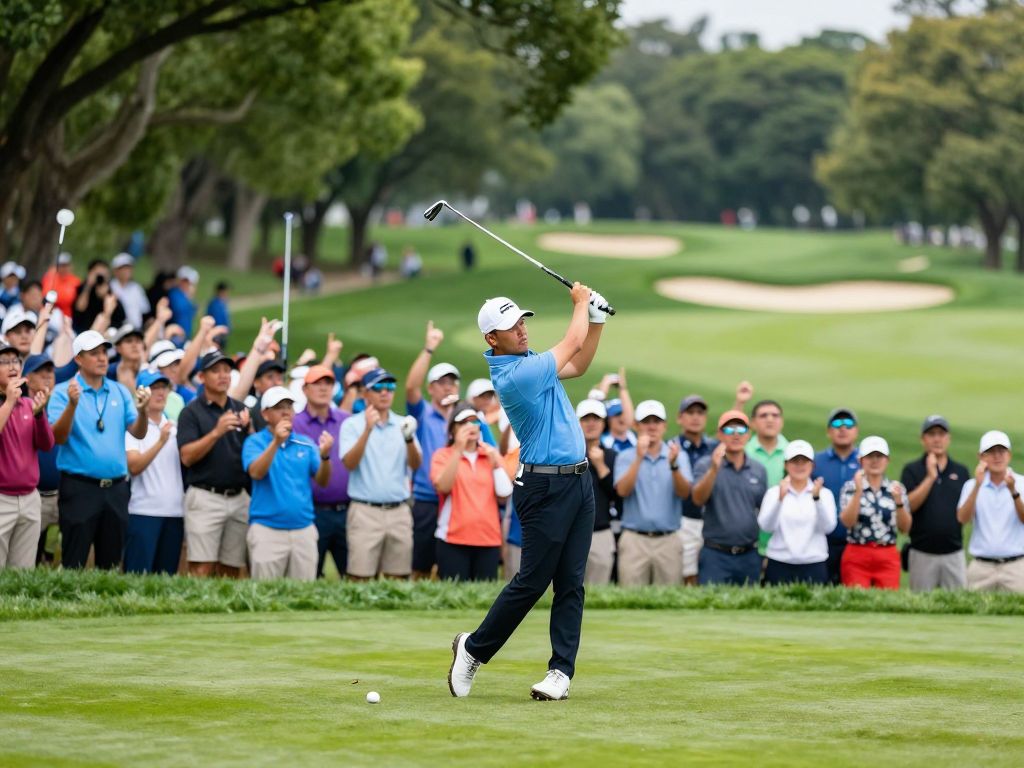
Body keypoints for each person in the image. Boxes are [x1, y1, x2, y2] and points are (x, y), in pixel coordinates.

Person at [448, 283, 608, 703]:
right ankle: (473, 649)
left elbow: (582, 360)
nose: (520, 329)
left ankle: (560, 672)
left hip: (578, 481)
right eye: (509, 326)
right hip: (544, 486)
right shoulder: (516, 375)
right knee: (532, 581)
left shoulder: (533, 362)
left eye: (521, 320)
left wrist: (597, 319)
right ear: (491, 339)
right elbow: (571, 342)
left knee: (571, 582)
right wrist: (579, 303)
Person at [48, 330, 150, 569]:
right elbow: (58, 437)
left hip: (116, 489)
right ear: (78, 359)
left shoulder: (120, 391)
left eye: (104, 352)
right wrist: (72, 405)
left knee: (112, 563)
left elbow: (138, 432)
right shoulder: (63, 392)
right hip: (79, 488)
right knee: (74, 561)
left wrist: (143, 411)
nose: (103, 358)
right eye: (94, 354)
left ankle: (107, 606)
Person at [338, 368, 421, 579]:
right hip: (365, 511)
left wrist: (409, 439)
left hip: (399, 510)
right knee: (360, 576)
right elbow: (349, 463)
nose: (385, 392)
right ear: (365, 393)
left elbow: (415, 464)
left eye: (390, 387)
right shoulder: (351, 425)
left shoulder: (404, 423)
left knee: (399, 577)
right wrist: (367, 429)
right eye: (378, 388)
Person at [243, 386, 333, 581]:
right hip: (267, 530)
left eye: (289, 407)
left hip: (303, 530)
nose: (285, 412)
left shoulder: (306, 443)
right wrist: (275, 442)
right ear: (265, 414)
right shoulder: (254, 442)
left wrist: (325, 457)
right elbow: (256, 473)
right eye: (278, 407)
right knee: (265, 596)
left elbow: (322, 480)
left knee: (303, 598)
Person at [177, 351, 252, 577]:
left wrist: (249, 431)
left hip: (238, 498)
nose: (223, 376)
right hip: (205, 496)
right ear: (201, 377)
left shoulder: (241, 409)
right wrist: (216, 432)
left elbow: (251, 453)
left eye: (227, 371)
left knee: (231, 568)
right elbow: (187, 456)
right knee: (202, 567)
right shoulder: (191, 412)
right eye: (215, 371)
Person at [613, 400, 692, 586]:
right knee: (630, 600)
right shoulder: (626, 457)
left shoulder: (678, 456)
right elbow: (623, 491)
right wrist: (639, 458)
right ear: (636, 426)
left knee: (669, 601)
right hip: (634, 539)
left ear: (664, 426)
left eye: (656, 421)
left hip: (668, 539)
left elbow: (684, 493)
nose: (652, 426)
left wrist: (673, 466)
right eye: (646, 421)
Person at [405, 321, 460, 579]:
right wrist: (429, 349)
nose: (447, 387)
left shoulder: (464, 416)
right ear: (431, 388)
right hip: (427, 498)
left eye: (452, 382)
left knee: (450, 564)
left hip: (458, 498)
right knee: (421, 563)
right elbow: (411, 388)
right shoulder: (424, 413)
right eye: (441, 383)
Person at [431, 405, 511, 581]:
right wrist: (458, 450)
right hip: (453, 538)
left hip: (488, 538)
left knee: (484, 598)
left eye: (474, 421)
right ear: (453, 429)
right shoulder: (443, 455)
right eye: (463, 422)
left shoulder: (490, 454)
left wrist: (496, 466)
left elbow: (504, 495)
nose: (471, 426)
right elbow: (443, 486)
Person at [691, 410, 767, 586]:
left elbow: (763, 510)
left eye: (741, 431)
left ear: (748, 435)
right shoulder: (705, 464)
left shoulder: (758, 470)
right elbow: (698, 499)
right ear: (719, 434)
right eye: (729, 430)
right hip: (715, 554)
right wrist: (714, 470)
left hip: (749, 554)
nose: (735, 435)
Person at [123, 369, 184, 575]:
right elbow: (134, 466)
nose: (160, 393)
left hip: (175, 512)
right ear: (142, 393)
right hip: (143, 512)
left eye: (163, 387)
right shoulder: (132, 429)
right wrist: (160, 442)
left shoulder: (174, 427)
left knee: (166, 579)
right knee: (137, 577)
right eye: (154, 388)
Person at [0, 338, 53, 568]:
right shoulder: (14, 402)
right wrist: (10, 401)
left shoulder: (28, 405)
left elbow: (47, 444)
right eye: (4, 361)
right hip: (1, 499)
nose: (12, 366)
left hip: (30, 498)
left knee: (22, 576)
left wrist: (40, 415)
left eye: (15, 360)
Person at [293, 365, 350, 578]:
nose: (323, 388)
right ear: (305, 389)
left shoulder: (345, 420)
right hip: (312, 511)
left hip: (345, 510)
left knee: (352, 574)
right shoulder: (295, 423)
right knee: (310, 574)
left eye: (328, 383)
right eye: (317, 383)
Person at [901, 415, 968, 590]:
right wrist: (930, 477)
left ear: (948, 438)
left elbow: (966, 513)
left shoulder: (961, 471)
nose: (937, 439)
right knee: (920, 608)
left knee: (958, 606)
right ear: (923, 439)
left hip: (954, 552)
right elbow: (909, 506)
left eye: (941, 434)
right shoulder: (912, 470)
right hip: (921, 553)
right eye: (931, 434)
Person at [757, 440, 836, 585]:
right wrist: (779, 500)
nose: (800, 466)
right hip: (779, 562)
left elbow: (828, 527)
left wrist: (817, 499)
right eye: (795, 461)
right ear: (786, 465)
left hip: (814, 562)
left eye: (804, 461)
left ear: (812, 465)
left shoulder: (824, 494)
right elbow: (766, 526)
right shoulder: (773, 493)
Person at [838, 436, 911, 590]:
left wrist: (899, 502)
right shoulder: (850, 488)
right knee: (856, 601)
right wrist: (858, 492)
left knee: (888, 603)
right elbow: (848, 522)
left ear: (887, 460)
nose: (875, 461)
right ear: (861, 460)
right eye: (870, 456)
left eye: (879, 456)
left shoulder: (896, 489)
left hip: (887, 554)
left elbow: (905, 528)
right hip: (857, 553)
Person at [956, 431, 1024, 592]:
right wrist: (978, 485)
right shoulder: (971, 485)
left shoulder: (1021, 483)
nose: (997, 457)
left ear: (1009, 455)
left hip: (1016, 566)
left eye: (1001, 451)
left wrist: (1013, 491)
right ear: (981, 457)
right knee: (973, 613)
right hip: (981, 567)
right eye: (991, 452)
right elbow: (962, 519)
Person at [814, 408, 861, 585]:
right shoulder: (816, 462)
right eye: (836, 424)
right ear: (828, 431)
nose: (842, 428)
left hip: (856, 542)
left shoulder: (866, 461)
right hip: (823, 541)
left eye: (848, 424)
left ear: (856, 431)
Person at [675, 394, 718, 585]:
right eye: (690, 412)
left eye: (700, 413)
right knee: (687, 574)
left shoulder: (714, 447)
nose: (695, 417)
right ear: (680, 418)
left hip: (712, 520)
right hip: (684, 519)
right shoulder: (673, 447)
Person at [576, 399, 618, 585]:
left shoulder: (612, 456)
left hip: (600, 531)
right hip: (570, 531)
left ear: (604, 424)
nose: (591, 423)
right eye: (586, 419)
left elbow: (618, 495)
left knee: (599, 592)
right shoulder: (565, 454)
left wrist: (601, 466)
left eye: (596, 419)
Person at [23, 354, 60, 564]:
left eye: (50, 371)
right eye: (40, 371)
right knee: (30, 557)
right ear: (27, 378)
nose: (47, 376)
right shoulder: (18, 407)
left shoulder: (61, 403)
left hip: (62, 494)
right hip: (32, 496)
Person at [72, 259, 124, 333]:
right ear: (90, 273)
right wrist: (88, 286)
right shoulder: (83, 288)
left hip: (105, 330)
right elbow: (80, 308)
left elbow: (118, 314)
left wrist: (105, 295)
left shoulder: (110, 289)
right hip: (83, 329)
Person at [109, 253, 150, 329]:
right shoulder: (110, 287)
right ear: (115, 271)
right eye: (123, 268)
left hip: (136, 329)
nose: (127, 271)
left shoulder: (137, 288)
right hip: (116, 329)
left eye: (129, 268)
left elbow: (145, 310)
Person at [248, 359, 287, 432]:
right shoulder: (259, 410)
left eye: (280, 378)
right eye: (270, 377)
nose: (277, 382)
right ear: (256, 382)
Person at [41, 252, 81, 318]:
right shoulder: (49, 276)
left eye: (66, 265)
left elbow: (68, 300)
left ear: (71, 266)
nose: (63, 268)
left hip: (65, 317)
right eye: (61, 265)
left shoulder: (76, 282)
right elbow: (43, 294)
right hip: (46, 311)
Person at [167, 266, 199, 337]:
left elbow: (191, 314)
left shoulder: (186, 296)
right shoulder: (174, 294)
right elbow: (179, 311)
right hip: (175, 333)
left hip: (185, 332)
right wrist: (189, 299)